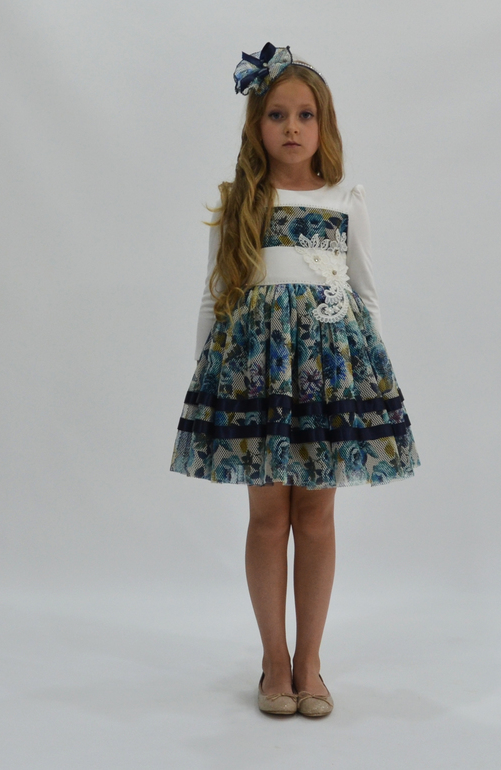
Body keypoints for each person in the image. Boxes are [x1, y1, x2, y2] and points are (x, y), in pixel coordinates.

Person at [170, 43, 419, 717]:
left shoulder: (345, 199)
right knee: (267, 516)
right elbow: (214, 295)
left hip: (328, 377)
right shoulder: (238, 202)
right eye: (277, 114)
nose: (291, 127)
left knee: (315, 515)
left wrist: (374, 381)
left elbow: (365, 294)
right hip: (256, 374)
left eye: (305, 115)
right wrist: (206, 383)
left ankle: (310, 661)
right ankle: (274, 660)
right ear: (257, 125)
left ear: (323, 125)